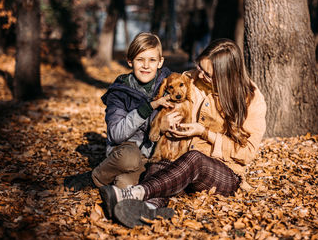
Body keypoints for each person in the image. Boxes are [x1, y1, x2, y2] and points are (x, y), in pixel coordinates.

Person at [99, 38, 267, 228]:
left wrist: (204, 132)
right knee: (160, 162)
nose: (200, 75)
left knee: (195, 158)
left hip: (223, 172)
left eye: (208, 74)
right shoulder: (189, 80)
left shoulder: (250, 98)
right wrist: (165, 123)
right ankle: (147, 209)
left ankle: (135, 193)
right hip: (180, 165)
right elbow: (163, 103)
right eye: (200, 68)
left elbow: (247, 153)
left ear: (227, 75)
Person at [64, 32, 172, 191]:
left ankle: (127, 207)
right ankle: (94, 178)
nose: (146, 66)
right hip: (125, 150)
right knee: (130, 157)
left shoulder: (171, 85)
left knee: (124, 186)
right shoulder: (119, 91)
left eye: (152, 60)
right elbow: (116, 134)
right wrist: (148, 108)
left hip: (152, 157)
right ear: (130, 61)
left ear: (160, 62)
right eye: (140, 60)